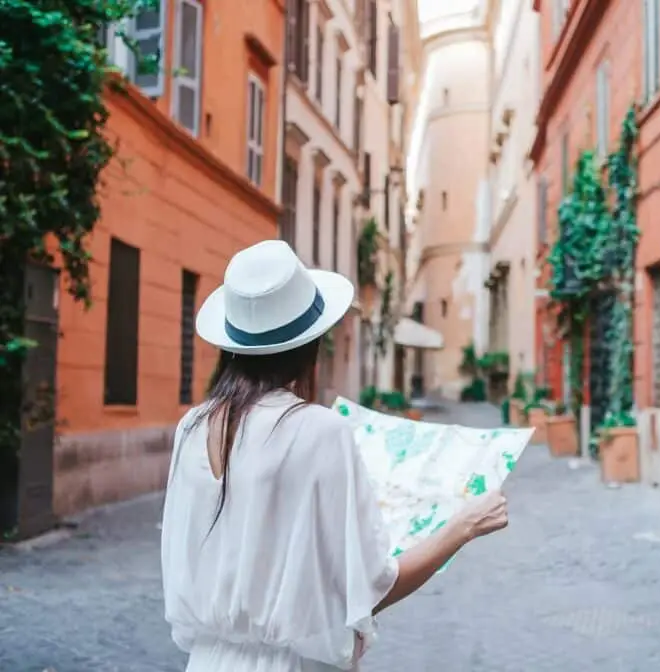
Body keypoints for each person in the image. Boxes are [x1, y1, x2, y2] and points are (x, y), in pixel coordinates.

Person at [160, 240, 509, 671]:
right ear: (311, 347)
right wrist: (464, 525)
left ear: (233, 346)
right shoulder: (320, 431)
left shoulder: (192, 426)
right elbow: (374, 587)